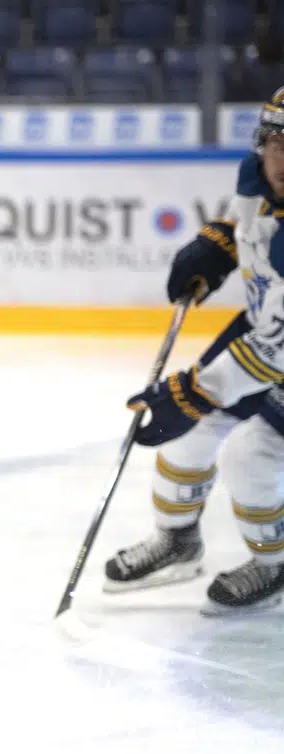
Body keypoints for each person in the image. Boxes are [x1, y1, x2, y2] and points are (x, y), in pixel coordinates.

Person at [111, 86, 284, 614]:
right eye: (274, 140)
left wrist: (194, 390)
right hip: (266, 332)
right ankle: (179, 541)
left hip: (276, 347)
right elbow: (246, 221)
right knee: (190, 430)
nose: (280, 157)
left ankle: (274, 564)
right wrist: (219, 242)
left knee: (251, 456)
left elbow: (275, 354)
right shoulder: (257, 179)